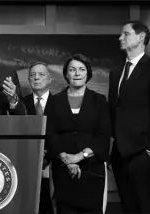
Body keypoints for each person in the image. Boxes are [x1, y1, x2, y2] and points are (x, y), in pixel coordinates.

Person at [46, 54, 110, 213]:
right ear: (66, 74)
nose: (77, 74)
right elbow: (50, 133)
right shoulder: (54, 101)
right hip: (63, 168)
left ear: (88, 74)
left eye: (81, 69)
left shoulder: (99, 100)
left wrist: (79, 157)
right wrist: (66, 159)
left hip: (91, 169)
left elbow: (103, 136)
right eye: (72, 70)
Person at [108, 21, 150, 213]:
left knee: (147, 206)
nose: (120, 38)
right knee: (128, 207)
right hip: (120, 155)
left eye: (125, 34)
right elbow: (114, 112)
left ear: (141, 37)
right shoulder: (115, 73)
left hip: (143, 153)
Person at [23, 62, 55, 214]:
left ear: (50, 79)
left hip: (53, 164)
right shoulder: (20, 104)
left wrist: (48, 154)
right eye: (33, 75)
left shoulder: (60, 103)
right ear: (29, 80)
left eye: (41, 74)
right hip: (26, 164)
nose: (36, 78)